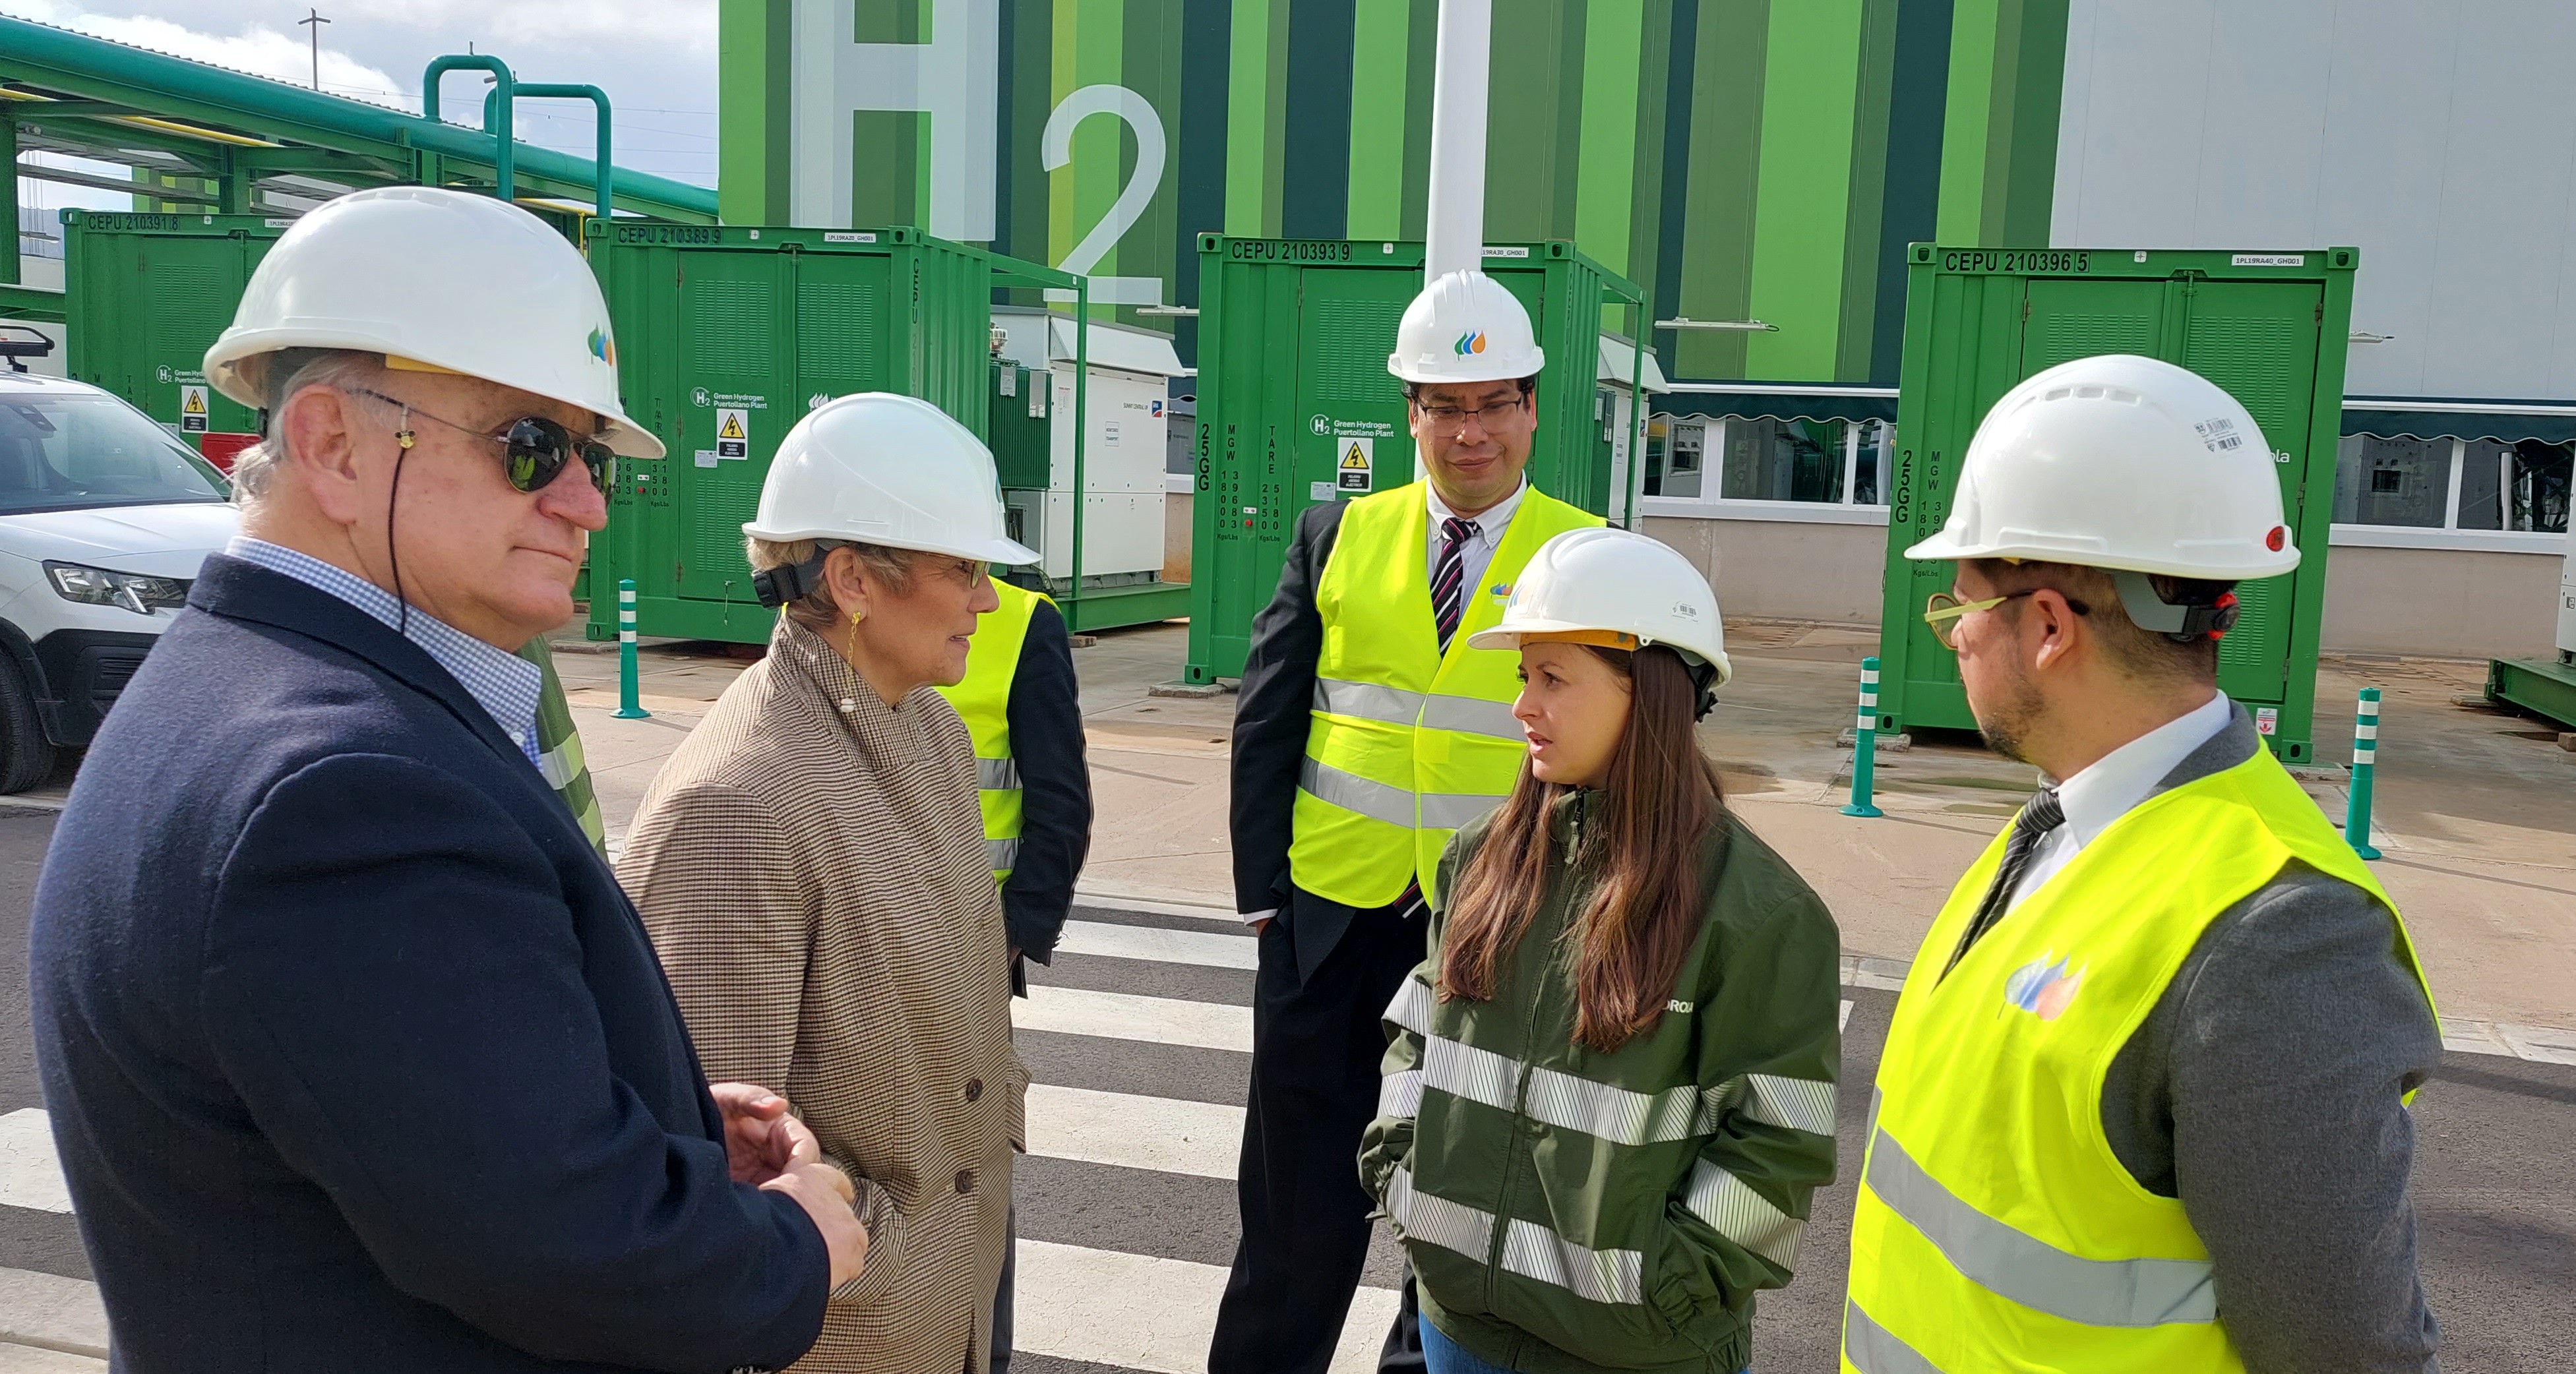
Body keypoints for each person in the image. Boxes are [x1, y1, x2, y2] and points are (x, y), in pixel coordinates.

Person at [27, 185, 863, 1374]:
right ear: (332, 443)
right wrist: (789, 1241)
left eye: (590, 456)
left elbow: (387, 1117)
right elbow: (571, 1249)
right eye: (530, 445)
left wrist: (648, 1130)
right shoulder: (348, 789)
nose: (582, 500)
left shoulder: (249, 686)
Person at [1840, 354, 2441, 1374]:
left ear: (2045, 627)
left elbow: (2345, 1349)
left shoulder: (2278, 932)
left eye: (1958, 608)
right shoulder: (2064, 824)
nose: (1951, 640)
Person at [1215, 270, 1604, 1374]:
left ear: (1532, 407)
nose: (1467, 429)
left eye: (1491, 403)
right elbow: (1268, 718)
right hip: (1327, 925)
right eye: (1443, 403)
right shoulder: (1336, 533)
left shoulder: (1585, 557)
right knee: (1292, 1225)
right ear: (1411, 414)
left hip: (1504, 937)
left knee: (1461, 1224)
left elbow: (1624, 754)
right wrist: (1263, 901)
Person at [618, 391, 1039, 1374]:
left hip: (947, 1295)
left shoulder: (927, 727)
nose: (986, 599)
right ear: (852, 579)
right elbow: (717, 1161)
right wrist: (874, 1252)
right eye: (963, 569)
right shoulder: (740, 801)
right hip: (844, 1330)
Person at [1359, 527, 1841, 1374]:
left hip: (1634, 1352)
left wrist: (1670, 1291)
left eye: (1553, 678)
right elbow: (1416, 1034)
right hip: (1457, 1323)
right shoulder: (1478, 859)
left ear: (1649, 692)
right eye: (1523, 676)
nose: (1522, 706)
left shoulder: (1761, 913)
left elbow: (1774, 1147)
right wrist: (1405, 1175)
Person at [931, 573, 1094, 1374]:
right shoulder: (814, 603)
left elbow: (1060, 800)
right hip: (860, 947)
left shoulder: (1024, 620)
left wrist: (1013, 935)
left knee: (969, 1173)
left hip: (969, 958)